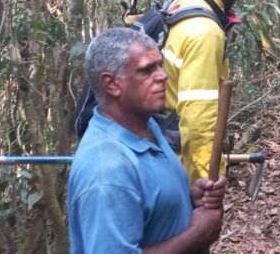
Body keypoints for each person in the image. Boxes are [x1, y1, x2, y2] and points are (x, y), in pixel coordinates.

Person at [69, 28, 227, 253]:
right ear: (112, 84)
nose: (162, 75)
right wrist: (196, 235)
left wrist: (188, 196)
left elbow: (144, 202)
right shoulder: (106, 173)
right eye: (147, 70)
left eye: (160, 65)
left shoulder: (145, 125)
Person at [162, 0, 254, 181]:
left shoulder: (180, 5)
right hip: (177, 167)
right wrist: (207, 185)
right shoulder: (205, 31)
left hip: (160, 155)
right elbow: (198, 122)